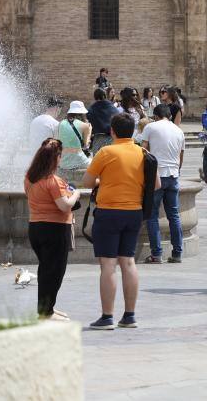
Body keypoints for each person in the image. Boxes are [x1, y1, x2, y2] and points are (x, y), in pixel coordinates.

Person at [83, 113, 158, 330]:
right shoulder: (143, 152)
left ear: (112, 131)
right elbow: (157, 184)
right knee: (128, 261)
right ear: (133, 130)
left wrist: (104, 180)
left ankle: (107, 317)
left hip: (109, 212)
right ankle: (130, 315)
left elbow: (88, 182)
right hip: (134, 212)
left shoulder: (106, 152)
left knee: (108, 264)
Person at [24, 138, 80, 321]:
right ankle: (46, 313)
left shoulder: (29, 178)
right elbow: (64, 206)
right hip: (55, 230)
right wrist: (76, 194)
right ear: (55, 158)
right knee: (55, 271)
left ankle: (47, 309)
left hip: (36, 228)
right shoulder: (53, 181)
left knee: (46, 270)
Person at [141, 104, 186, 264]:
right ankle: (177, 253)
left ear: (155, 115)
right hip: (173, 175)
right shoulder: (179, 131)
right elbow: (181, 157)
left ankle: (156, 253)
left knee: (152, 215)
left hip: (156, 175)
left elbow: (143, 150)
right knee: (174, 215)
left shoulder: (150, 127)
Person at [58, 101, 93, 171]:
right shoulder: (85, 125)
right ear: (82, 113)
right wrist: (89, 131)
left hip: (63, 161)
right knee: (94, 162)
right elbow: (86, 146)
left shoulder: (61, 123)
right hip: (78, 159)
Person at [87, 88, 119, 154]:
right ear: (105, 95)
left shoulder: (91, 109)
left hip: (98, 139)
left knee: (98, 161)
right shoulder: (113, 108)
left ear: (95, 97)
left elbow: (89, 121)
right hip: (112, 138)